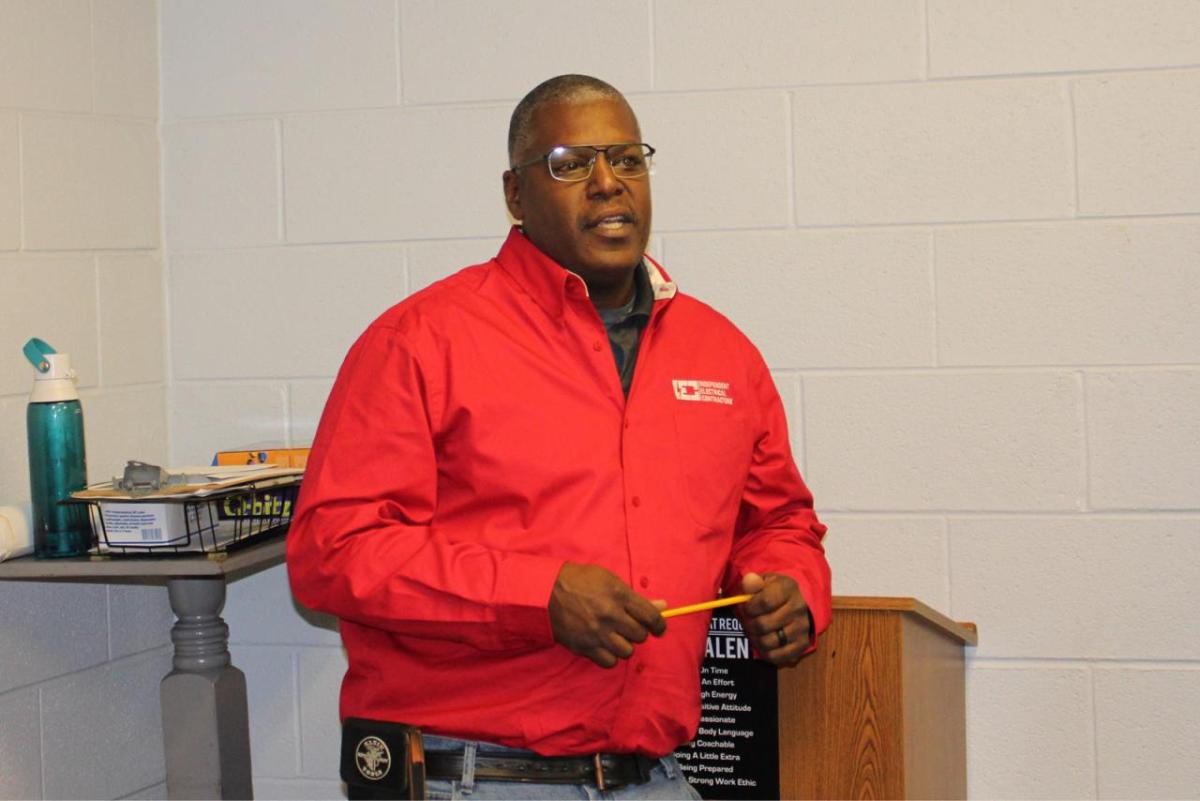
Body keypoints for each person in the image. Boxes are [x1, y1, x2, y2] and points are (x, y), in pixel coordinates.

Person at [287, 74, 831, 800]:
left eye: (628, 159)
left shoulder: (721, 352)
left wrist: (794, 590)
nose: (608, 184)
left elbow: (778, 522)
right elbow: (334, 550)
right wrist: (537, 596)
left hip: (654, 774)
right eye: (571, 164)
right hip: (474, 774)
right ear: (515, 195)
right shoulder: (421, 342)